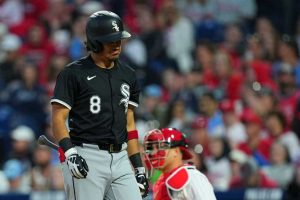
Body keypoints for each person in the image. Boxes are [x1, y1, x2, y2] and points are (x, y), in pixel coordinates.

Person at [50, 10, 148, 200]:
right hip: (87, 154)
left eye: (119, 39)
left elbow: (129, 123)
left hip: (120, 157)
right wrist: (70, 153)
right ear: (95, 42)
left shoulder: (128, 75)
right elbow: (58, 119)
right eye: (111, 40)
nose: (117, 44)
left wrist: (139, 168)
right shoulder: (73, 73)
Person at [143, 128, 216, 200]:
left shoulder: (192, 176)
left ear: (176, 151)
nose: (153, 152)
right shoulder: (160, 181)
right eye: (152, 148)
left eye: (161, 147)